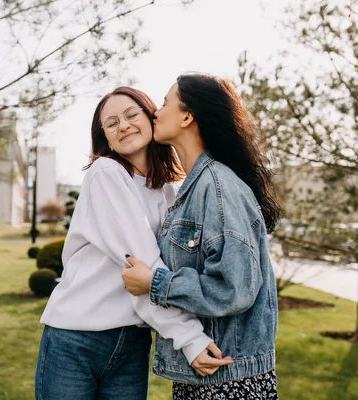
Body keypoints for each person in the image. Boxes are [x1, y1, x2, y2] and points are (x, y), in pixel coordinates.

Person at [35, 86, 233, 400]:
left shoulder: (167, 189)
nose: (123, 125)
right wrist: (189, 337)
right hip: (76, 338)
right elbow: (141, 264)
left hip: (132, 341)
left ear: (150, 117)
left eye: (131, 115)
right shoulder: (106, 173)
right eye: (111, 123)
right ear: (105, 138)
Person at [122, 73, 281, 399]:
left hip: (229, 380)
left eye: (165, 103)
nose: (156, 112)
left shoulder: (218, 188)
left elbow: (233, 286)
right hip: (206, 372)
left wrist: (154, 284)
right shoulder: (195, 188)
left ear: (186, 116)